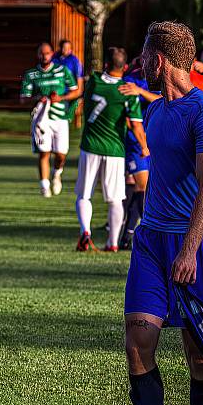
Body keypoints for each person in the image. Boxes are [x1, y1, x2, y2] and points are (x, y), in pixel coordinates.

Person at [125, 20, 203, 405]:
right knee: (137, 341)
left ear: (160, 60)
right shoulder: (154, 112)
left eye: (144, 56)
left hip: (198, 245)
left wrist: (188, 250)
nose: (139, 64)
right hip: (150, 242)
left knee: (199, 355)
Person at [75, 47, 143, 252]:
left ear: (105, 64)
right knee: (115, 198)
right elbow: (137, 125)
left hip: (90, 146)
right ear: (125, 67)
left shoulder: (93, 82)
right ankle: (112, 242)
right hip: (115, 149)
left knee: (84, 195)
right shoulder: (127, 91)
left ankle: (85, 231)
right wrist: (145, 147)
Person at [20, 42, 80, 198]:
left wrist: (61, 98)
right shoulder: (31, 74)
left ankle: (56, 174)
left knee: (61, 154)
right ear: (37, 55)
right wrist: (39, 99)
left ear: (52, 54)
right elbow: (23, 99)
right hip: (41, 119)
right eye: (41, 53)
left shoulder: (62, 71)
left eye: (46, 53)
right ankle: (44, 186)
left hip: (60, 117)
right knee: (44, 152)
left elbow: (76, 91)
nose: (44, 56)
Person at [119, 58, 155, 250]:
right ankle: (140, 233)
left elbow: (164, 100)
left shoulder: (156, 82)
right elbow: (126, 113)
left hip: (154, 142)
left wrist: (141, 92)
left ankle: (126, 233)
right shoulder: (129, 80)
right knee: (142, 187)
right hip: (136, 142)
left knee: (137, 187)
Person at [54, 39, 84, 126]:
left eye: (68, 48)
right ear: (60, 48)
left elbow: (79, 81)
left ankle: (66, 119)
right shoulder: (55, 58)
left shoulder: (75, 61)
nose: (66, 50)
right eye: (64, 48)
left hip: (68, 91)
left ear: (71, 49)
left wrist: (78, 92)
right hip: (55, 89)